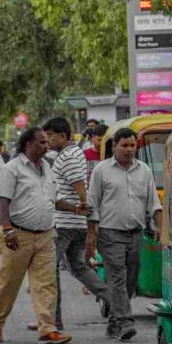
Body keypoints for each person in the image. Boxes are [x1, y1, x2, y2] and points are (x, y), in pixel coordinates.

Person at [0, 127, 83, 344]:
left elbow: (54, 200)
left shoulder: (47, 168)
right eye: (41, 142)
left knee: (46, 283)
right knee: (8, 283)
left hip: (46, 236)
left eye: (46, 142)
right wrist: (7, 229)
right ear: (29, 144)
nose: (46, 146)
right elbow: (2, 202)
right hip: (17, 235)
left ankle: (47, 329)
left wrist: (76, 208)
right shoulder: (12, 169)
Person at [86, 127, 163, 341]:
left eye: (132, 145)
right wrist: (91, 235)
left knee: (130, 280)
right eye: (125, 145)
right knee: (117, 277)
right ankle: (126, 322)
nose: (129, 150)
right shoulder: (102, 170)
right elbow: (92, 204)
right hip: (110, 233)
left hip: (136, 234)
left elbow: (153, 202)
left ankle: (114, 322)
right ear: (115, 146)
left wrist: (160, 228)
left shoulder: (144, 170)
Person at [43, 117, 107, 331]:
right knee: (79, 268)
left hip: (64, 224)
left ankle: (52, 319)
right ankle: (116, 305)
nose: (47, 140)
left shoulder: (68, 157)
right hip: (74, 223)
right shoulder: (72, 154)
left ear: (62, 136)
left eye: (50, 135)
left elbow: (80, 188)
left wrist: (82, 206)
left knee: (49, 270)